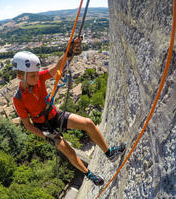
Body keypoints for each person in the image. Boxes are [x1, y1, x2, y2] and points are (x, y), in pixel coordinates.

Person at [12, 37, 126, 186]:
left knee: (88, 123)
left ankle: (109, 153)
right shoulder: (18, 99)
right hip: (44, 127)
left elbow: (55, 68)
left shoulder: (39, 77)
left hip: (54, 115)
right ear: (20, 76)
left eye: (36, 73)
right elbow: (27, 125)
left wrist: (69, 51)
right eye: (32, 75)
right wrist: (46, 137)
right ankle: (89, 174)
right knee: (70, 152)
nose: (36, 76)